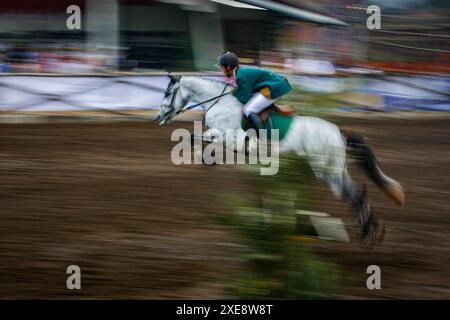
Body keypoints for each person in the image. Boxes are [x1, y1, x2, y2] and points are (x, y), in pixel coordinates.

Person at [217, 51, 293, 132]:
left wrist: (235, 93)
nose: (222, 70)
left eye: (222, 67)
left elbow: (246, 98)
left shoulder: (240, 76)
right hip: (274, 84)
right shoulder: (240, 72)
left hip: (275, 87)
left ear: (228, 67)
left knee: (248, 110)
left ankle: (263, 138)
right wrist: (236, 91)